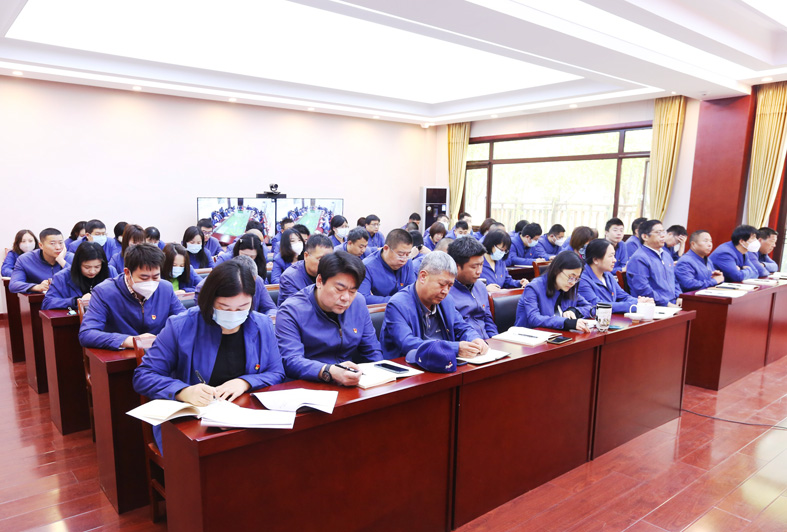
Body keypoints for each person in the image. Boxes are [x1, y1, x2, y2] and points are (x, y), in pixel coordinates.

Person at [133, 260, 285, 450]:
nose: (233, 314)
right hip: (191, 424)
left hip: (244, 417)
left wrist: (245, 382)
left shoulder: (261, 324)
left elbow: (277, 371)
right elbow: (143, 376)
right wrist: (183, 391)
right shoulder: (180, 326)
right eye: (224, 307)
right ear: (209, 300)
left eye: (242, 308)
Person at [276, 251, 383, 384]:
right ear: (320, 281)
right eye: (339, 289)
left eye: (352, 291)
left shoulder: (358, 302)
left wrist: (382, 376)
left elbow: (372, 349)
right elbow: (291, 361)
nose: (346, 298)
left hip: (350, 381)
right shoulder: (291, 311)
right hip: (309, 384)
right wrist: (328, 371)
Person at [380, 251, 488, 360]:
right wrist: (455, 348)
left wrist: (475, 339)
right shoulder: (398, 305)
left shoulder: (447, 301)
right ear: (423, 276)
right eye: (442, 284)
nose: (445, 291)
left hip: (444, 362)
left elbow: (462, 327)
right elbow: (408, 344)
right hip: (410, 364)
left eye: (450, 286)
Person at [78, 243, 186, 350]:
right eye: (144, 278)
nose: (151, 282)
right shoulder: (104, 292)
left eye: (155, 277)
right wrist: (131, 340)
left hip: (159, 353)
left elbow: (185, 322)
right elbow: (87, 334)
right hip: (122, 356)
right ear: (127, 273)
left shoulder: (165, 288)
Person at [515, 251, 594, 331]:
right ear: (557, 270)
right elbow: (534, 319)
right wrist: (566, 322)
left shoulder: (569, 288)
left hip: (557, 335)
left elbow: (591, 308)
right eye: (571, 277)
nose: (573, 283)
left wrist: (574, 311)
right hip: (528, 335)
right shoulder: (533, 288)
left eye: (576, 279)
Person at [578, 239, 653, 313]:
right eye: (610, 256)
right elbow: (597, 305)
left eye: (614, 255)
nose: (614, 260)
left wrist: (641, 301)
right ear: (595, 260)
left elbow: (623, 296)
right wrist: (634, 305)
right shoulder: (582, 279)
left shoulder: (607, 275)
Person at [447, 237, 498, 339]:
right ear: (456, 266)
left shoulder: (480, 287)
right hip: (466, 344)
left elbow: (488, 320)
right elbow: (456, 329)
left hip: (487, 343)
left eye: (481, 265)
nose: (479, 271)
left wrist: (495, 340)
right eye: (474, 267)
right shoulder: (446, 292)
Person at [42, 241, 114, 310]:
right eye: (87, 267)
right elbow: (47, 303)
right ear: (78, 264)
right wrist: (76, 301)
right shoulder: (62, 277)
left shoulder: (110, 271)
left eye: (97, 267)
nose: (92, 271)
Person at [626, 220, 681, 306]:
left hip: (672, 302)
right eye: (658, 232)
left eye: (663, 232)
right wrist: (667, 303)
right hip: (654, 305)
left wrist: (679, 296)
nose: (663, 235)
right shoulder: (639, 258)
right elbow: (643, 289)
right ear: (645, 237)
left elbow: (674, 280)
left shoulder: (666, 255)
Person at [359, 229, 417, 304]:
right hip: (381, 309)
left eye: (408, 254)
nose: (404, 259)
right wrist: (398, 300)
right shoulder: (367, 266)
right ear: (386, 248)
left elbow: (413, 292)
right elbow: (363, 298)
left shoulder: (408, 262)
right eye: (400, 254)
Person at [10, 228, 73, 293]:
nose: (58, 247)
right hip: (40, 298)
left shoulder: (71, 257)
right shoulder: (25, 259)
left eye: (60, 243)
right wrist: (37, 287)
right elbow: (14, 284)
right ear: (41, 245)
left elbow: (78, 280)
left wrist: (61, 261)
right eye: (52, 243)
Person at [277, 234, 334, 306]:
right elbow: (297, 308)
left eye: (329, 260)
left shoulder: (333, 273)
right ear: (306, 256)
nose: (326, 263)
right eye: (321, 259)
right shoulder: (289, 278)